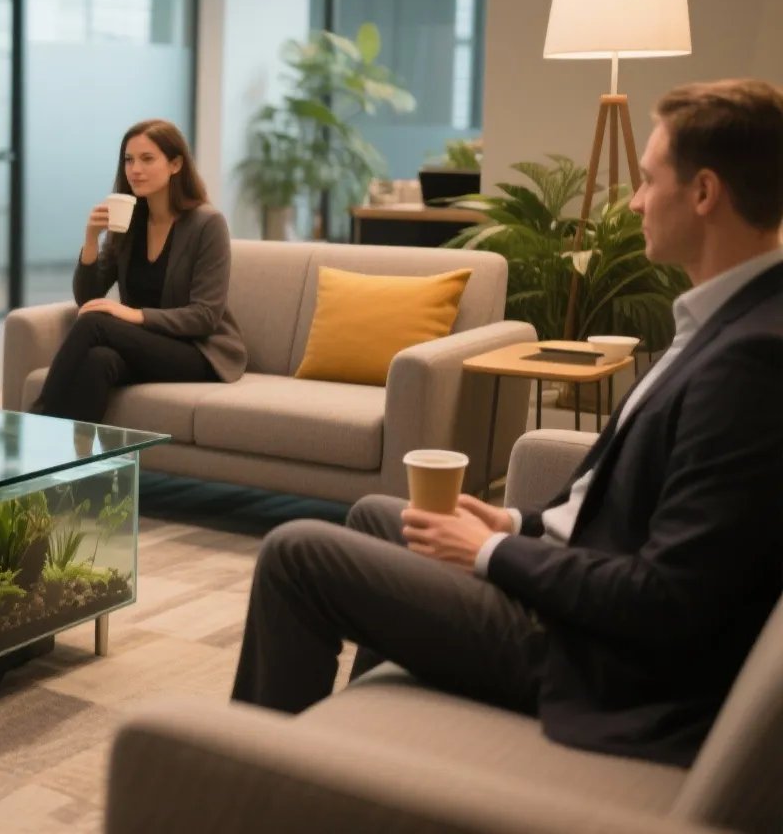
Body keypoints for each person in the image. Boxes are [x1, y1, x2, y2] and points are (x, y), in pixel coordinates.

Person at [231, 79, 783, 768]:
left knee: (295, 552)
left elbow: (671, 600)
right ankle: (359, 747)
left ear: (704, 193)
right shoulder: (725, 321)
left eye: (647, 180)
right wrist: (514, 525)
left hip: (586, 654)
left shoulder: (753, 360)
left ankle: (253, 779)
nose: (635, 200)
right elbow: (623, 510)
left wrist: (490, 555)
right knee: (380, 513)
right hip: (573, 597)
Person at [31, 119, 246, 422]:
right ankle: (80, 464)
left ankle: (33, 422)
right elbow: (88, 297)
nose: (135, 170)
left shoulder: (207, 223)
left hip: (199, 351)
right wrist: (91, 239)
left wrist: (134, 315)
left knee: (96, 322)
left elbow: (205, 316)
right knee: (98, 360)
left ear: (175, 164)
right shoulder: (129, 219)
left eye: (147, 159)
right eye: (129, 160)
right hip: (147, 345)